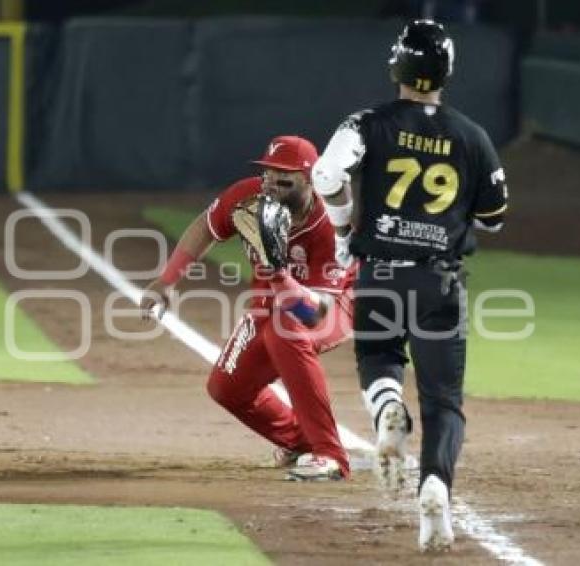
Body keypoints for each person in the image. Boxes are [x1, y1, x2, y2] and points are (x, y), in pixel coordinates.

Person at [311, 20, 508, 551]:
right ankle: (436, 489)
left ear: (397, 64)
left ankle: (386, 409)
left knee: (377, 355)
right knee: (444, 402)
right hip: (439, 280)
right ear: (446, 71)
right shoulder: (472, 135)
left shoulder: (366, 122)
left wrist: (342, 225)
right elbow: (494, 217)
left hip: (380, 271)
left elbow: (326, 175)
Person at [141, 135, 356, 481]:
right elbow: (206, 227)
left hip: (334, 306)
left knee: (286, 329)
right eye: (268, 174)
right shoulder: (248, 198)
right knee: (226, 388)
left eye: (283, 178)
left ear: (310, 181)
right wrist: (166, 281)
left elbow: (313, 313)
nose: (270, 184)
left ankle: (331, 456)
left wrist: (279, 274)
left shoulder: (330, 224)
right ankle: (300, 441)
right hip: (270, 302)